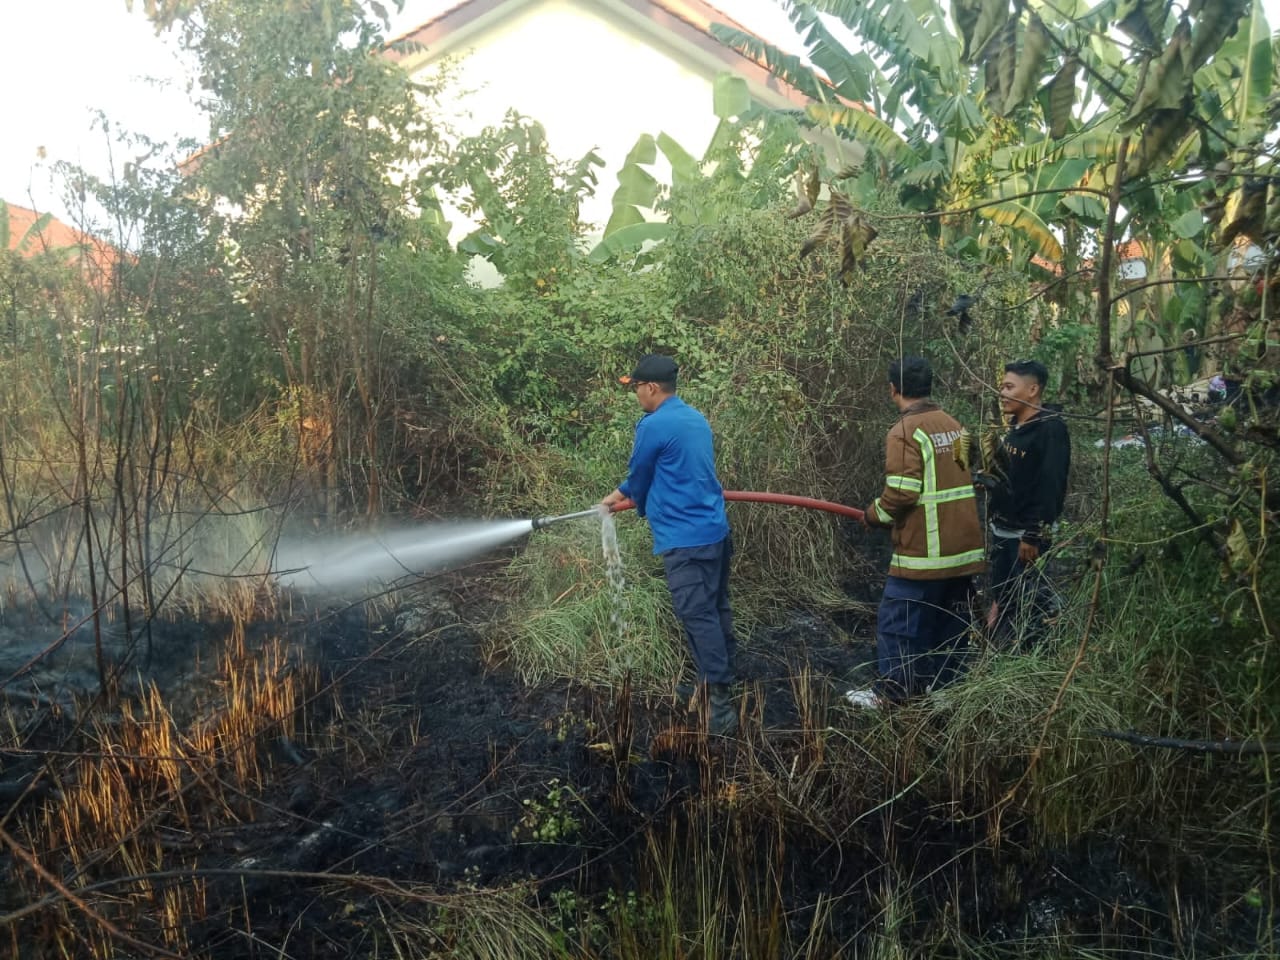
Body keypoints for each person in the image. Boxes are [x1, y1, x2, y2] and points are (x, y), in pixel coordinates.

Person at [601, 354, 738, 736]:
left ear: (651, 388)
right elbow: (665, 469)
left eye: (636, 389)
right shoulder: (695, 418)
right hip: (715, 532)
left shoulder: (654, 424)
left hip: (685, 540)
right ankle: (709, 684)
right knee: (714, 608)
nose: (636, 396)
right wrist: (621, 495)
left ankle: (721, 706)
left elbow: (640, 475)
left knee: (698, 616)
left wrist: (628, 501)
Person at [846, 357, 985, 708]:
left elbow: (903, 493)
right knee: (949, 622)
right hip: (964, 550)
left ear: (893, 389)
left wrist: (873, 515)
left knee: (898, 622)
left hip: (925, 553)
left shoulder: (903, 432)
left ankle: (892, 695)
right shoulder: (956, 426)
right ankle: (945, 691)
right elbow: (967, 476)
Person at [986, 359, 1071, 648]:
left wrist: (1033, 534)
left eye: (1009, 387)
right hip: (1002, 530)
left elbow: (1050, 487)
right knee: (1004, 595)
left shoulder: (1050, 430)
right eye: (1002, 387)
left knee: (1031, 601)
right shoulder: (1016, 426)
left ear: (1033, 389)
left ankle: (1032, 659)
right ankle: (1003, 651)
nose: (1002, 393)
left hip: (1025, 538)